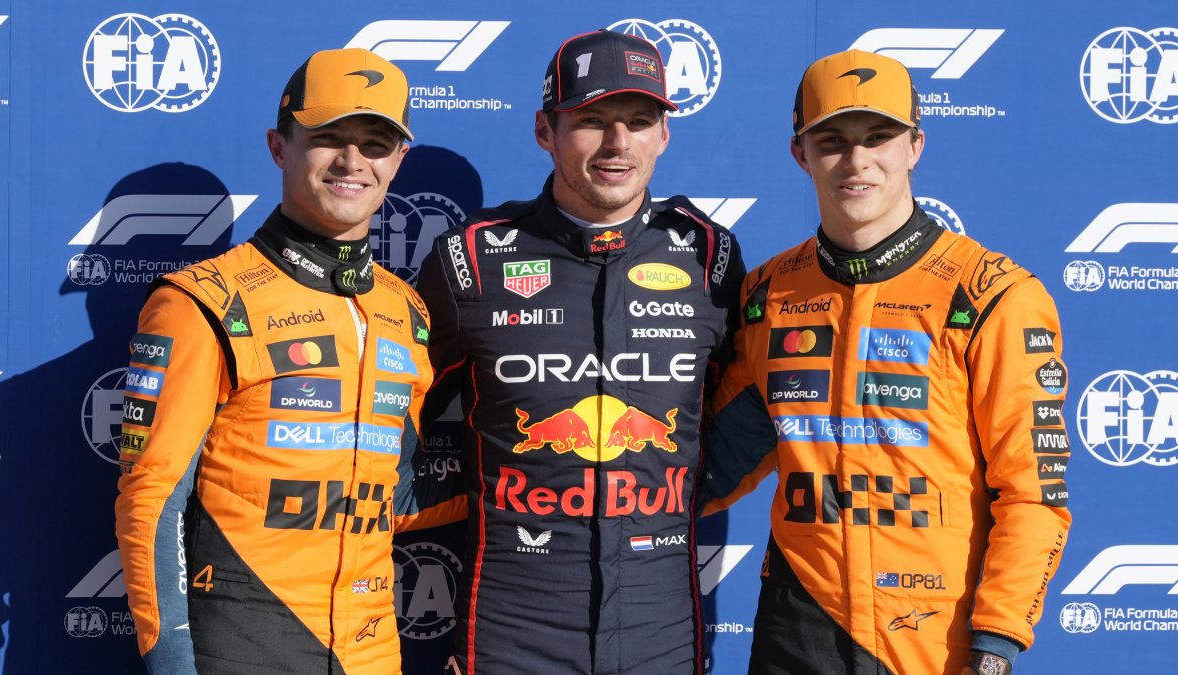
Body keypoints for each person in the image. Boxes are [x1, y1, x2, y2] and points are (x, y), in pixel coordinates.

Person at [703, 49, 1072, 675]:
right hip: (797, 624)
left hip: (935, 636)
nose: (857, 161)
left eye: (879, 138)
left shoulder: (992, 294)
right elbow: (723, 456)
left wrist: (999, 641)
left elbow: (1033, 494)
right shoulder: (770, 292)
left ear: (915, 146)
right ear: (801, 153)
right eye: (833, 141)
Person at [114, 48, 455, 674]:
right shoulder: (202, 300)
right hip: (246, 648)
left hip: (375, 653)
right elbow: (151, 499)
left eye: (376, 143)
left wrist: (553, 477)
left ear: (399, 161)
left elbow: (397, 493)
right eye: (328, 138)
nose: (353, 161)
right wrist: (171, 664)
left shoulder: (406, 311)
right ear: (280, 145)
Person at [414, 29, 744, 675]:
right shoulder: (472, 258)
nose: (618, 144)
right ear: (546, 130)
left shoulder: (710, 254)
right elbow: (393, 417)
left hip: (662, 633)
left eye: (639, 121)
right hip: (511, 635)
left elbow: (745, 418)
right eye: (592, 121)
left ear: (663, 135)